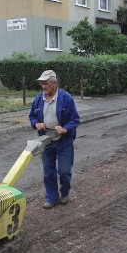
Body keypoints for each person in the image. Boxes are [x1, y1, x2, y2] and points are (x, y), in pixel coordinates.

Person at [29, 70, 81, 209]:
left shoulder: (66, 98)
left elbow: (75, 119)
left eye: (46, 83)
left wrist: (65, 128)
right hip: (46, 140)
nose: (43, 87)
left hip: (64, 141)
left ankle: (64, 193)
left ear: (54, 83)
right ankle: (51, 198)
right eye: (41, 84)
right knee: (48, 172)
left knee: (64, 171)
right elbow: (32, 117)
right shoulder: (39, 99)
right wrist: (36, 124)